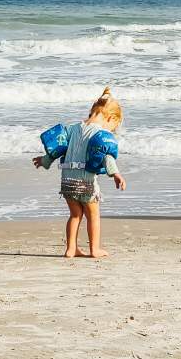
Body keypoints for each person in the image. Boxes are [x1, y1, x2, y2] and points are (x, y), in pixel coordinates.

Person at [32, 87, 126, 258]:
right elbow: (107, 158)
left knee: (75, 215)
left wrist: (44, 160)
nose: (112, 131)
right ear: (110, 118)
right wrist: (116, 174)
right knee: (93, 216)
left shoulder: (73, 129)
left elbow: (58, 149)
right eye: (114, 127)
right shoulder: (101, 134)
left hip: (67, 181)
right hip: (86, 183)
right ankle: (94, 249)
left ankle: (70, 249)